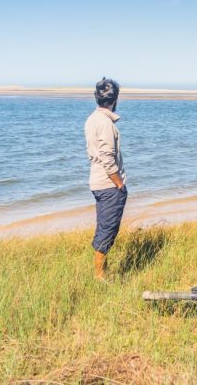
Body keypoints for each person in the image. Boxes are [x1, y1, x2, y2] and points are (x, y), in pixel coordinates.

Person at [84, 78, 127, 280]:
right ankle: (100, 276)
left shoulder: (92, 119)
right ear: (114, 99)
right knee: (107, 231)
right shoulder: (104, 123)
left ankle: (102, 273)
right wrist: (119, 183)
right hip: (108, 185)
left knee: (104, 228)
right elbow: (107, 157)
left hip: (97, 181)